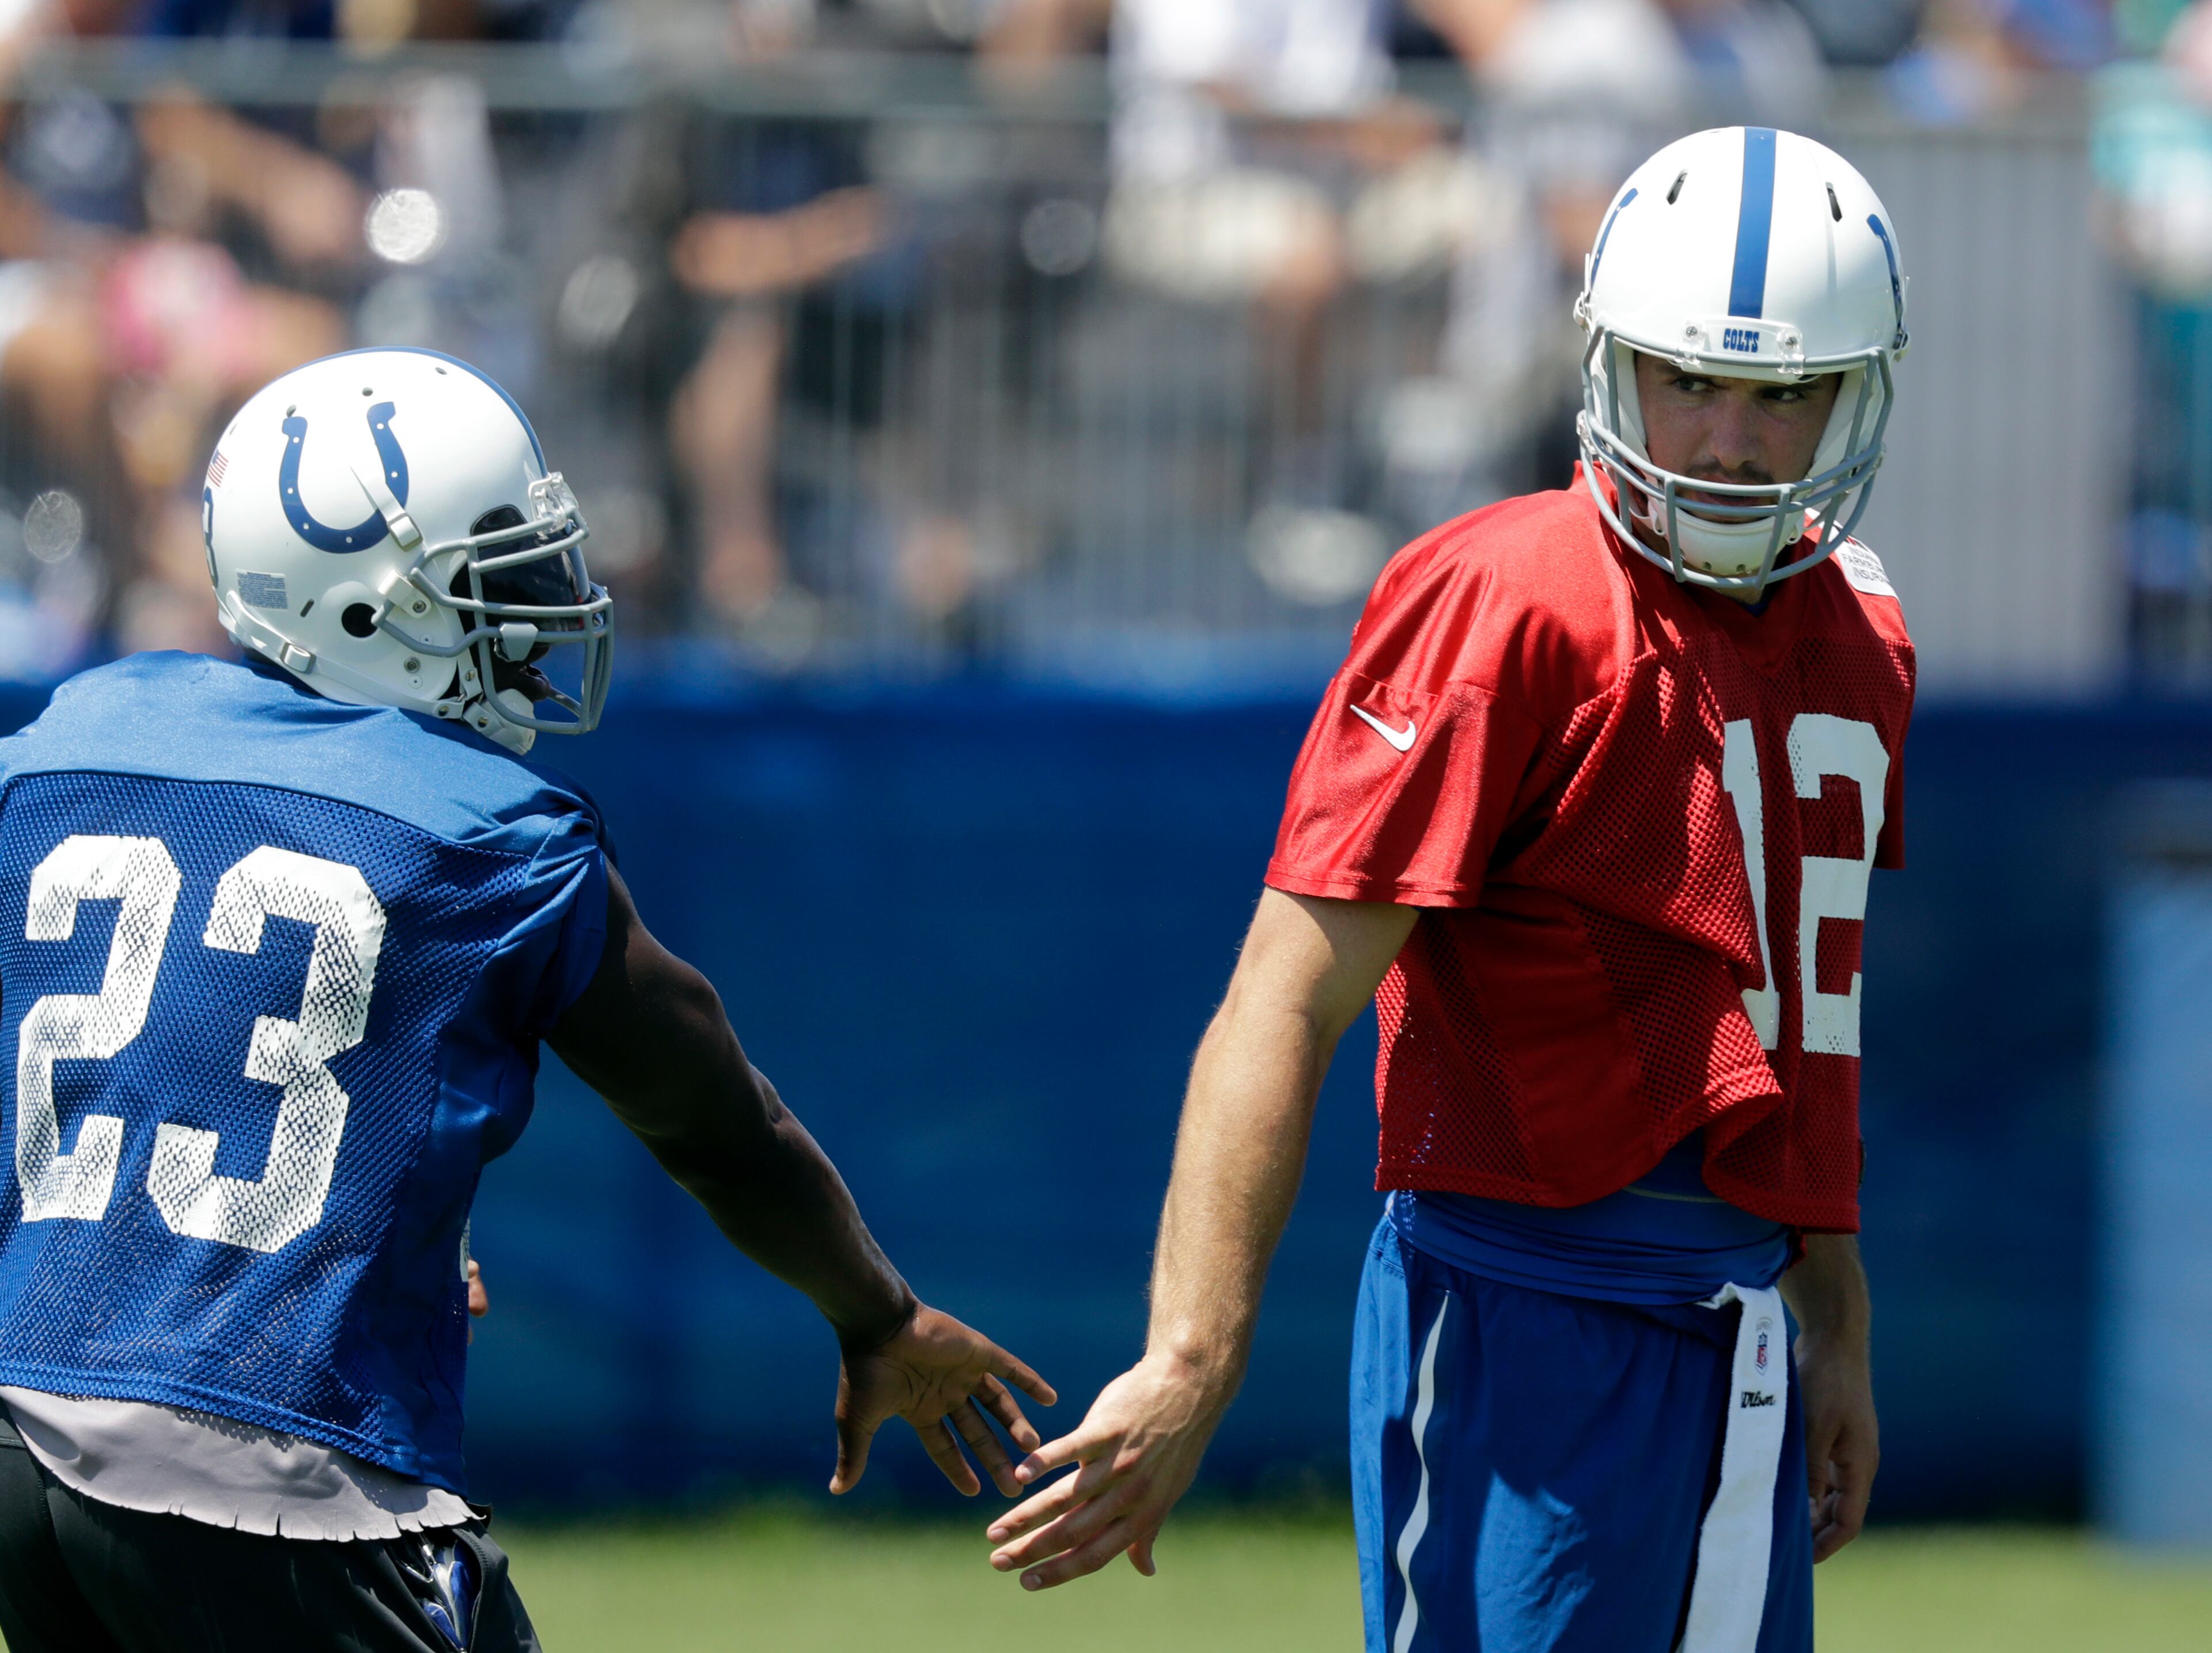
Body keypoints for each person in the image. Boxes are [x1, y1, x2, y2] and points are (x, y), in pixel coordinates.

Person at [987, 126, 1916, 1653]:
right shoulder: (1508, 590)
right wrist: (1191, 1354)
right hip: (1522, 1317)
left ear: (1852, 390)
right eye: (1692, 379)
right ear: (1612, 363)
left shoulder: (1861, 630)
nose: (1732, 442)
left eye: (1784, 394)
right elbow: (1284, 999)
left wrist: (1838, 1317)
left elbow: (1804, 1024)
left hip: (1747, 1325)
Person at [0, 346, 1053, 1652]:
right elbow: (715, 1120)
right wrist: (879, 1314)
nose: (545, 602)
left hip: (26, 1438)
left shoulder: (66, 742)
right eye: (493, 566)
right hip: (268, 1465)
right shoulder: (484, 829)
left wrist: (336, 1234)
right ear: (370, 607)